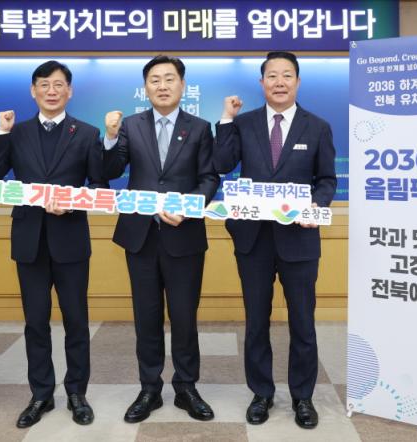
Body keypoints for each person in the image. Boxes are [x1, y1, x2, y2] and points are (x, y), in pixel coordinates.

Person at [213, 51, 337, 429]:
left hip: (299, 239)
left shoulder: (317, 127)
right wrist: (226, 119)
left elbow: (326, 180)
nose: (279, 82)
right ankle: (261, 393)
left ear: (297, 82)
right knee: (256, 321)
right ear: (262, 82)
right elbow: (222, 164)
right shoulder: (244, 123)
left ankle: (303, 397)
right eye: (272, 75)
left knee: (303, 322)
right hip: (253, 239)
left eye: (286, 75)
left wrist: (316, 206)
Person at [0, 60, 106, 428]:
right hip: (29, 241)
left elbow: (100, 188)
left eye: (58, 84)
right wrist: (1, 133)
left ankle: (77, 393)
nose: (51, 91)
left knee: (76, 321)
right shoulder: (16, 132)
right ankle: (41, 394)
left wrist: (72, 202)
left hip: (71, 240)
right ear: (33, 91)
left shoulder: (87, 133)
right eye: (44, 84)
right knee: (35, 322)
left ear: (69, 91)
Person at [103, 55, 220, 423]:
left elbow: (209, 178)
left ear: (182, 85)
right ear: (146, 87)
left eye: (170, 79)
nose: (163, 85)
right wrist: (109, 137)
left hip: (184, 234)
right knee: (146, 316)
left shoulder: (199, 127)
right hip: (141, 235)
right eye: (155, 80)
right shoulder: (130, 126)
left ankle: (186, 387)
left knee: (184, 316)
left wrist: (189, 207)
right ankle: (149, 388)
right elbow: (110, 170)